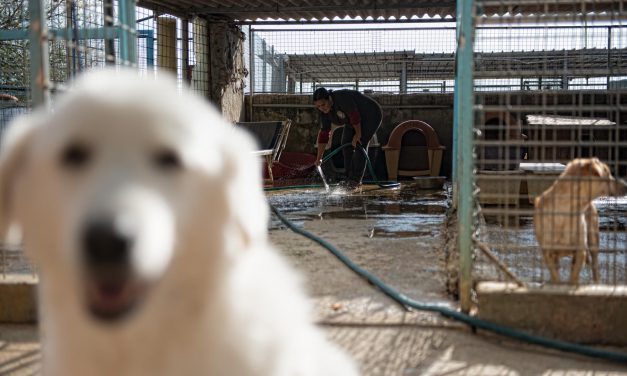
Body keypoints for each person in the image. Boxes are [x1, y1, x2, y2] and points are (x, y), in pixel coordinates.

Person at [313, 87, 382, 189]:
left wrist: (358, 135)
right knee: (345, 143)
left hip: (370, 114)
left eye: (323, 104)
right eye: (318, 106)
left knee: (360, 143)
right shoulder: (324, 112)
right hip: (352, 121)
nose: (322, 108)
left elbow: (354, 115)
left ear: (329, 98)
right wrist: (319, 157)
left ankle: (355, 180)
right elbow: (324, 133)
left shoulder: (341, 97)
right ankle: (349, 177)